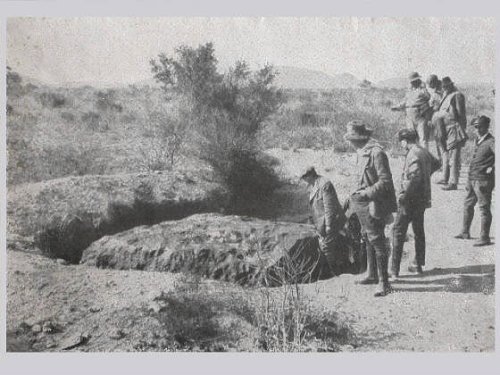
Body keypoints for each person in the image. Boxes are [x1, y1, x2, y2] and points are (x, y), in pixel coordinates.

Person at [344, 120, 397, 297]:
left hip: (373, 203)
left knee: (377, 240)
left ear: (360, 138)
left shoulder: (377, 153)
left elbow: (385, 182)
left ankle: (384, 283)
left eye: (352, 139)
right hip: (360, 203)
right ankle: (372, 274)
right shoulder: (361, 152)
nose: (350, 142)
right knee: (366, 237)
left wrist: (365, 194)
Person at [391, 129, 441, 277]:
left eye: (402, 142)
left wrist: (404, 196)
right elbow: (437, 164)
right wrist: (427, 176)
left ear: (405, 141)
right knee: (418, 231)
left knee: (397, 232)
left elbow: (415, 178)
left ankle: (393, 271)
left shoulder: (413, 153)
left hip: (410, 200)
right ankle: (418, 265)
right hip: (422, 199)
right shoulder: (423, 151)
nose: (401, 145)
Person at [454, 116, 495, 246]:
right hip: (472, 179)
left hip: (483, 180)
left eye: (479, 127)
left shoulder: (492, 141)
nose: (476, 130)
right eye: (475, 127)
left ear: (486, 127)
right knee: (467, 204)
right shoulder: (477, 141)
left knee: (484, 208)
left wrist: (491, 168)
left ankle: (484, 237)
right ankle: (465, 232)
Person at [300, 166, 347, 274]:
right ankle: (332, 270)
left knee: (327, 247)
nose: (303, 180)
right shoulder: (313, 185)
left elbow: (329, 207)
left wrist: (329, 225)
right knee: (325, 246)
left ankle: (335, 273)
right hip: (321, 222)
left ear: (311, 175)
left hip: (330, 221)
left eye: (304, 177)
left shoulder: (325, 184)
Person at [433, 76, 467, 190]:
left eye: (446, 86)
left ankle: (453, 182)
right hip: (444, 129)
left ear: (451, 85)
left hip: (454, 128)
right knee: (445, 153)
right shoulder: (445, 96)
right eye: (443, 86)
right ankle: (445, 177)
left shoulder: (457, 95)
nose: (444, 88)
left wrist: (462, 130)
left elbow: (461, 115)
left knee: (454, 155)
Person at [391, 72, 432, 149]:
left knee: (422, 137)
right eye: (411, 81)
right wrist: (397, 107)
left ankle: (425, 157)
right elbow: (404, 102)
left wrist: (422, 87)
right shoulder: (409, 92)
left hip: (420, 116)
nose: (412, 83)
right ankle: (413, 155)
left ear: (418, 81)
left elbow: (428, 97)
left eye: (414, 81)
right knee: (410, 136)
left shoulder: (422, 90)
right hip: (409, 116)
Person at [426, 74, 444, 162]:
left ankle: (443, 160)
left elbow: (433, 105)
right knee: (439, 139)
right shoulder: (439, 90)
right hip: (439, 117)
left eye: (430, 84)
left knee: (440, 139)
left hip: (440, 118)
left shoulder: (439, 92)